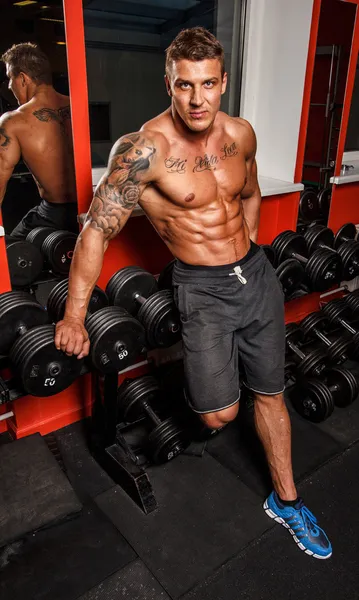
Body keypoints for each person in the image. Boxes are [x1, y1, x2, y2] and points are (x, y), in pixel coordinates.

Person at [55, 27, 332, 559]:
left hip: (254, 275)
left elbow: (248, 192)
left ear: (223, 81)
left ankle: (288, 502)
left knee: (271, 392)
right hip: (199, 288)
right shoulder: (143, 150)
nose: (197, 98)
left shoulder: (241, 134)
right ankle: (210, 381)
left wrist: (248, 257)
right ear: (169, 83)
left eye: (208, 84)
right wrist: (74, 316)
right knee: (218, 416)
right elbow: (96, 229)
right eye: (185, 86)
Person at [0, 42, 78, 237]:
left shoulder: (13, 121)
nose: (9, 86)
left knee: (12, 250)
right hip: (89, 207)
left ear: (23, 79)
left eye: (10, 78)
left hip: (53, 213)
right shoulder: (79, 107)